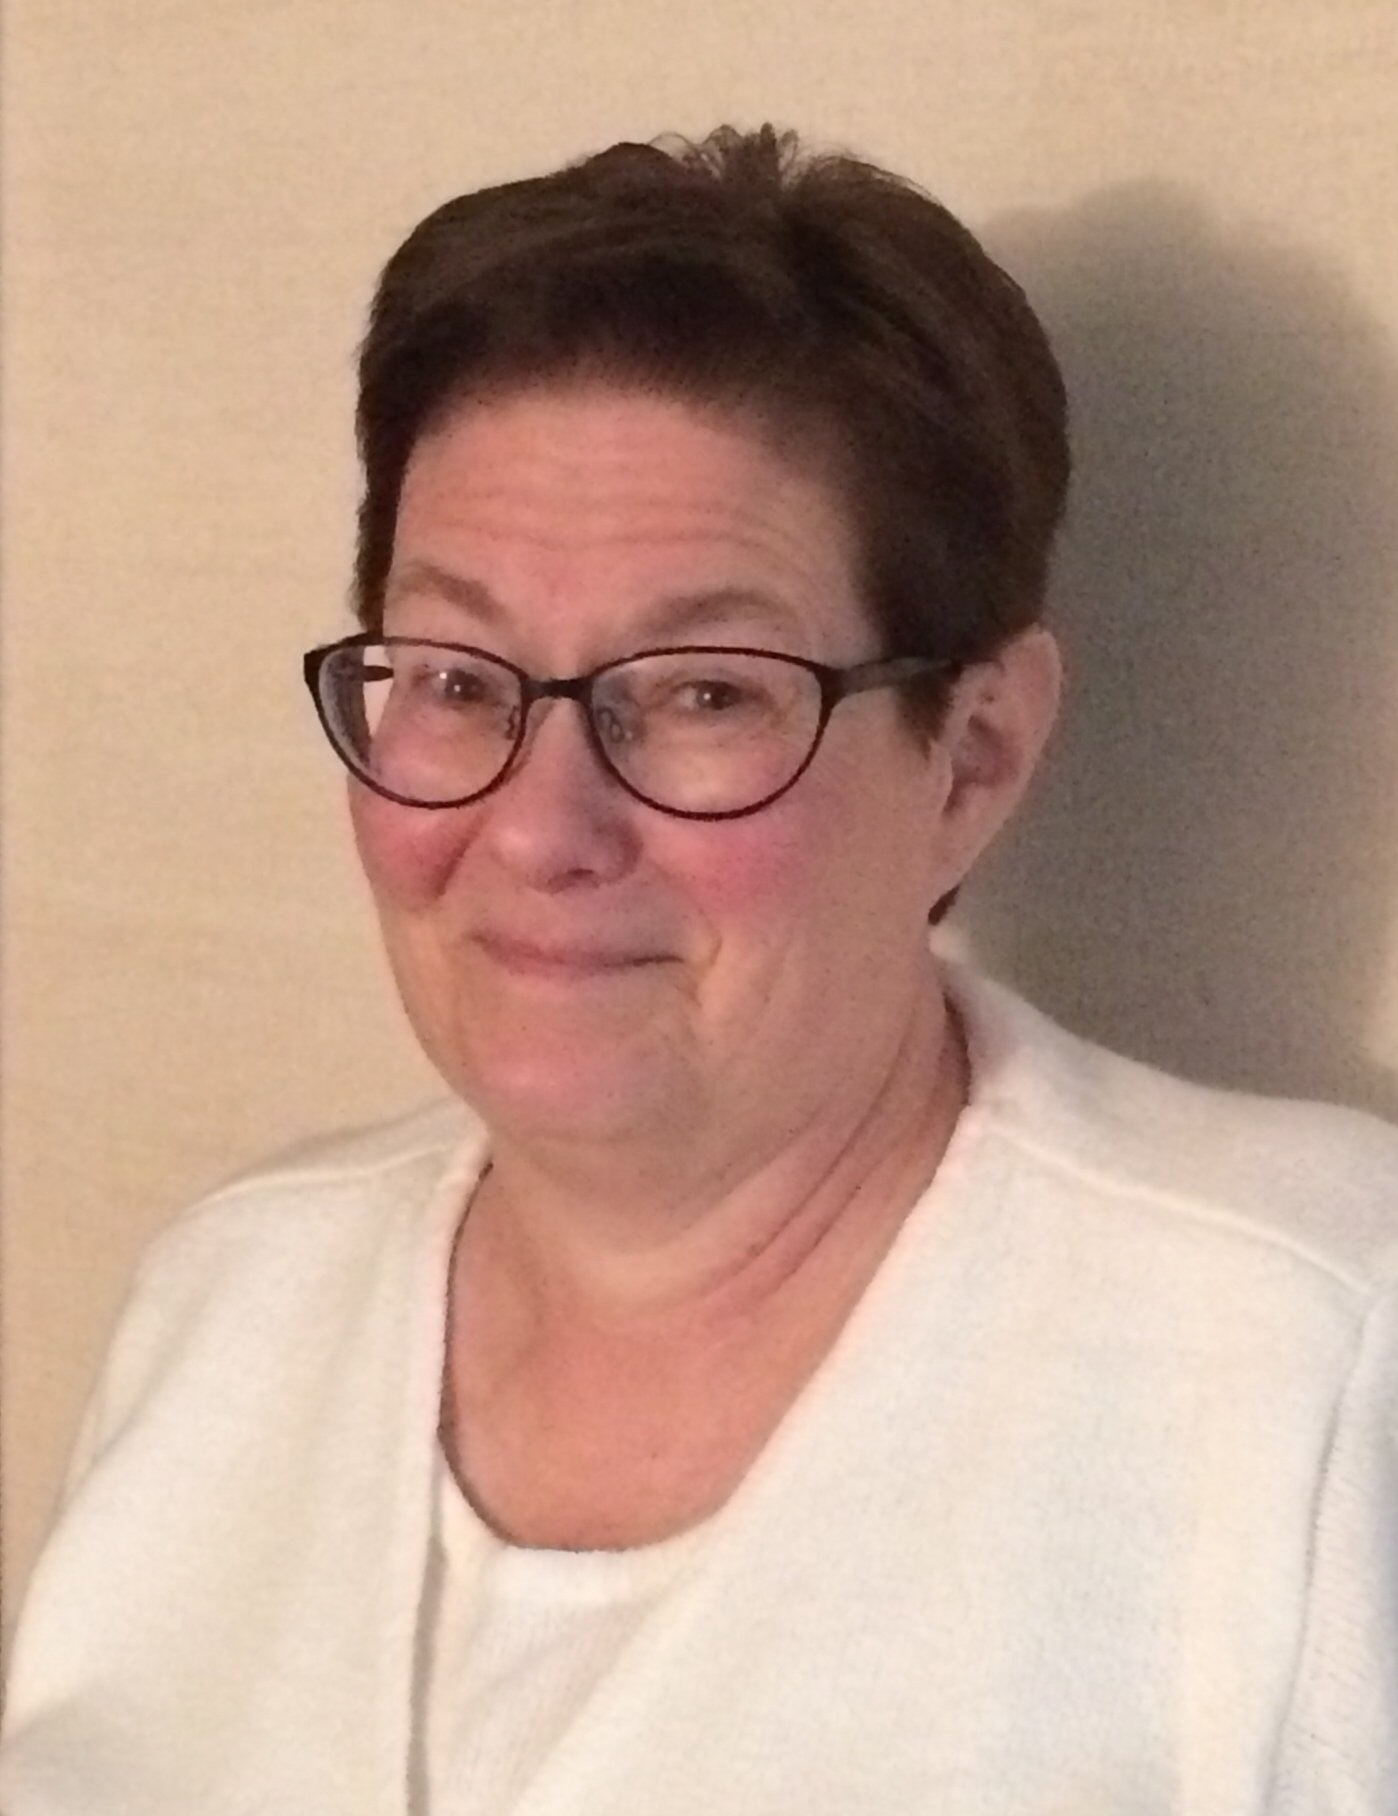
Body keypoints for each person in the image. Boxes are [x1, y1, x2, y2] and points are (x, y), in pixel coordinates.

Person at [3, 124, 1396, 1816]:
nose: (539, 826)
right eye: (455, 679)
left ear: (972, 756)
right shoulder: (230, 1304)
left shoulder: (1314, 1364)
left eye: (702, 694)